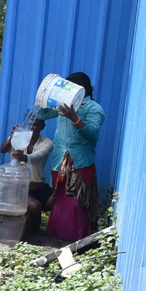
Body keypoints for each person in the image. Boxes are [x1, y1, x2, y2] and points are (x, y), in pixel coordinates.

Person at [33, 71, 103, 242]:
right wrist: (45, 96)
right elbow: (41, 115)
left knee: (76, 202)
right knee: (60, 200)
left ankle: (77, 239)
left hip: (80, 162)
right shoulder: (63, 105)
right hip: (59, 160)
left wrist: (75, 118)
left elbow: (92, 134)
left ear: (82, 89)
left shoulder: (94, 109)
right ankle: (56, 235)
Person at [0, 117, 53, 237]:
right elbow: (3, 149)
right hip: (20, 188)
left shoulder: (46, 142)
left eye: (35, 125)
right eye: (30, 124)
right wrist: (11, 137)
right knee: (35, 206)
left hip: (39, 187)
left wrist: (24, 157)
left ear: (42, 127)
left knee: (59, 200)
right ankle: (36, 236)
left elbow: (40, 156)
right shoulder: (19, 137)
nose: (32, 128)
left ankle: (56, 231)